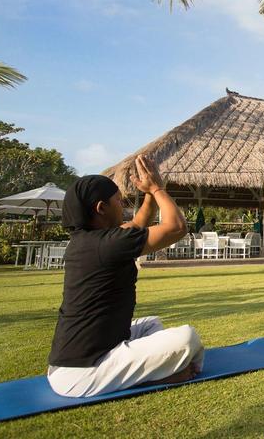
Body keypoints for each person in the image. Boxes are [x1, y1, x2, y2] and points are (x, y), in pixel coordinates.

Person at [47, 155, 204, 397]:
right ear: (101, 209)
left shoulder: (87, 242)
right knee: (187, 337)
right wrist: (158, 189)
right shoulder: (107, 245)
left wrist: (150, 194)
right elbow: (176, 228)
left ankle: (157, 369)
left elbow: (139, 222)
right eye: (119, 201)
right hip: (82, 373)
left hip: (73, 362)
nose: (124, 207)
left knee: (151, 323)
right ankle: (160, 375)